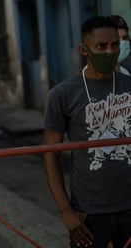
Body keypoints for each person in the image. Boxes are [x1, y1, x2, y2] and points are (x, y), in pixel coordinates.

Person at [43, 16, 131, 248]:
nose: (109, 52)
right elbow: (50, 154)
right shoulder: (62, 94)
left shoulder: (129, 85)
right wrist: (66, 212)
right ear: (84, 50)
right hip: (88, 213)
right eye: (101, 46)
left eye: (115, 45)